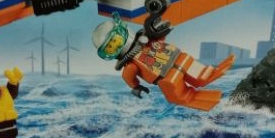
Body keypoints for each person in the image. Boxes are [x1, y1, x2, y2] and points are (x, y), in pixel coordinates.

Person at [92, 13, 235, 112]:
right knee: (178, 94)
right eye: (111, 47)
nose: (116, 46)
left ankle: (210, 74)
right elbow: (128, 76)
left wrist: (160, 31)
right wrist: (136, 87)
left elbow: (159, 39)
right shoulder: (131, 64)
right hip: (166, 77)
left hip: (178, 59)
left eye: (115, 41)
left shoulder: (146, 39)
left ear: (122, 32)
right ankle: (202, 98)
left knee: (195, 71)